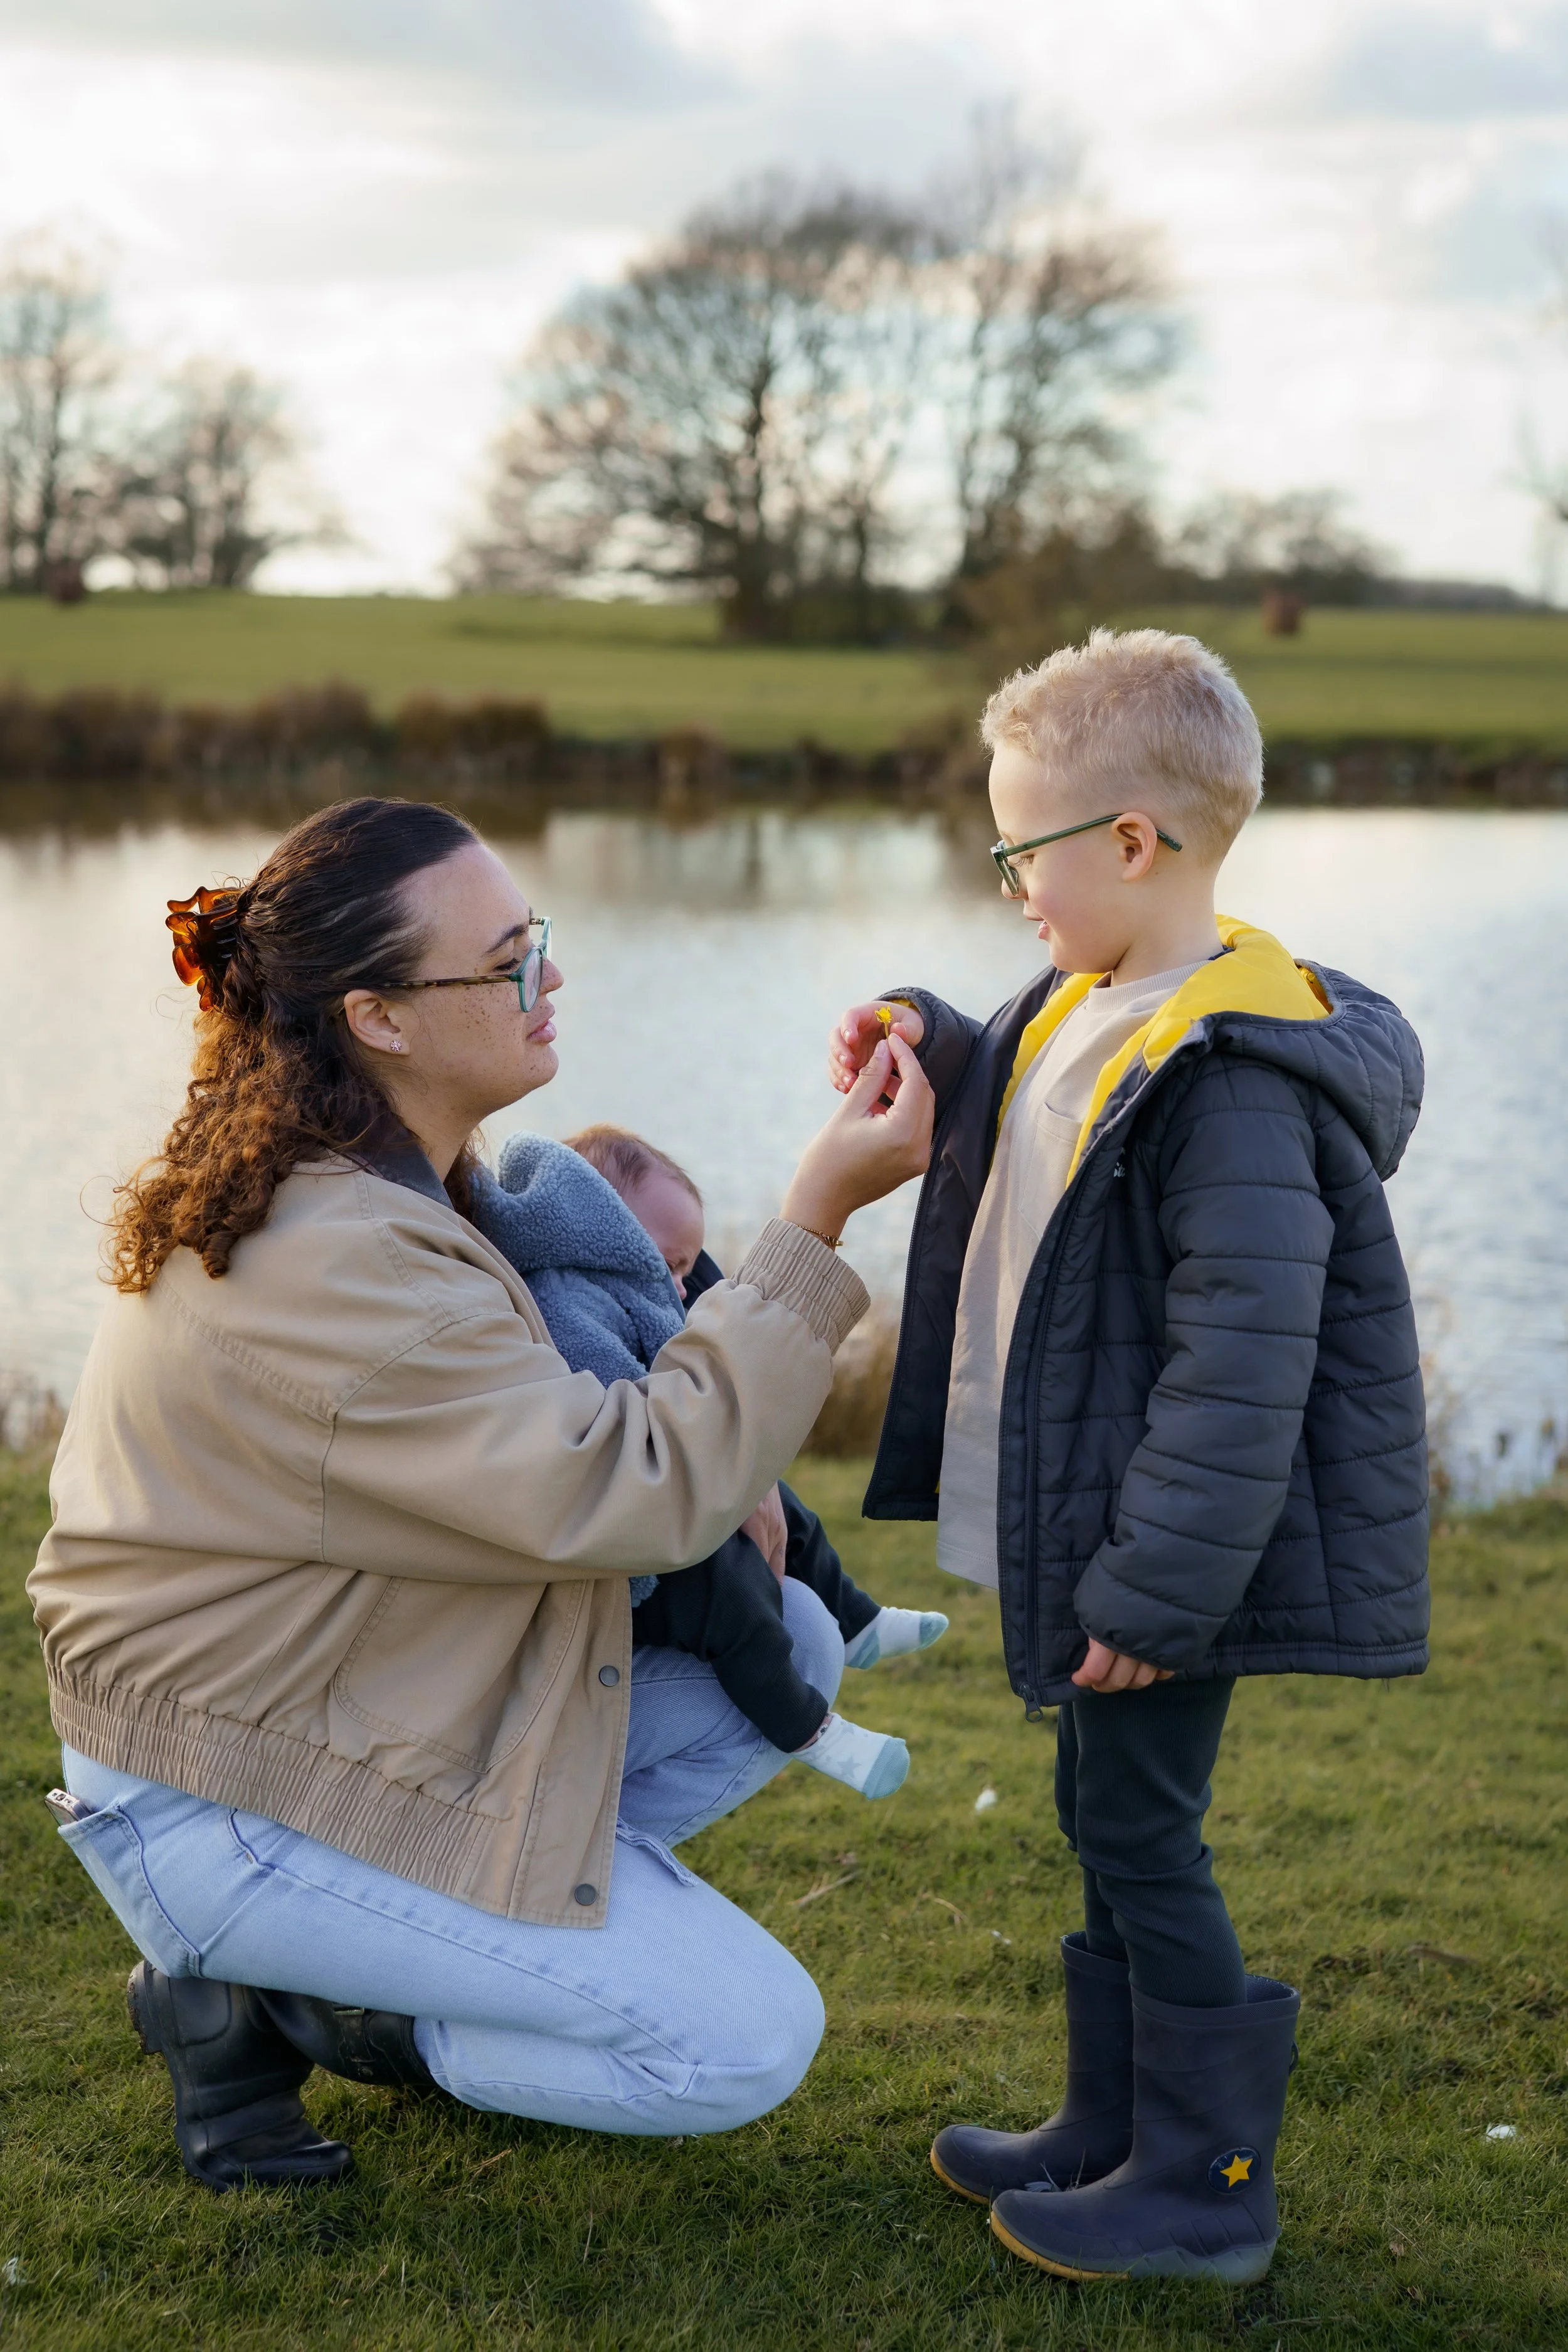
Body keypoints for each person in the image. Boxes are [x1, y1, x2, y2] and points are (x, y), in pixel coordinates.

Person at [28, 795, 933, 2193]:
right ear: (378, 1017)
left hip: (319, 1707)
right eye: (508, 956)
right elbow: (636, 1491)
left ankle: (348, 1961)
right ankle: (297, 1997)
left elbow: (595, 1469)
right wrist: (812, 1221)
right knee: (736, 2044)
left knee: (796, 1652)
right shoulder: (337, 1255)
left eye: (540, 939)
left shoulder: (399, 1188)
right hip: (220, 1792)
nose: (549, 977)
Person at [828, 629, 1428, 2286]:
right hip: (1106, 1528)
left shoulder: (1229, 1072)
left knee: (1143, 1823)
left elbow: (1241, 1368)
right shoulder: (1094, 997)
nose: (1005, 876)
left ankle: (1207, 2184)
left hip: (1165, 1552)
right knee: (1102, 1808)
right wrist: (934, 1037)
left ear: (1133, 844)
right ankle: (1112, 2122)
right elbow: (1030, 1098)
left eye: (1020, 847)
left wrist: (1156, 1586)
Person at [467, 1121, 946, 1796]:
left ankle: (856, 1619)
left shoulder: (643, 1272)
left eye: (690, 1265)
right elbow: (620, 1421)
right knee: (730, 1591)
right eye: (672, 1264)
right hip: (627, 1535)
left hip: (667, 1486)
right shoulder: (569, 1299)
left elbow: (711, 1302)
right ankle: (811, 1729)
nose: (684, 1286)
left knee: (789, 1511)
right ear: (603, 1228)